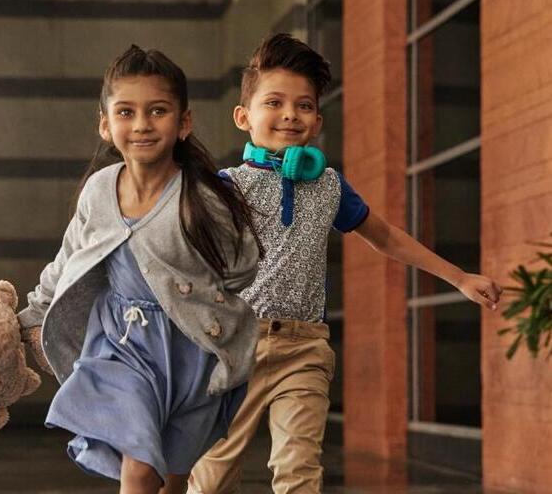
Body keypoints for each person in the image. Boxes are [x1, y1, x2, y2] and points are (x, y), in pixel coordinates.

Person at [188, 33, 502, 494]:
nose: (290, 114)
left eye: (305, 105)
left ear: (317, 121)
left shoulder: (330, 186)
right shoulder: (223, 188)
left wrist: (458, 277)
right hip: (234, 347)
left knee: (299, 473)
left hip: (304, 349)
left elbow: (387, 237)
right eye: (274, 102)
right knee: (210, 480)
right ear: (244, 116)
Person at [18, 45, 262, 494]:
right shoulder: (98, 191)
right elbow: (71, 255)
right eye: (126, 112)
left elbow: (243, 263)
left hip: (187, 350)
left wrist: (200, 300)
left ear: (183, 122)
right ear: (106, 124)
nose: (142, 124)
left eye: (158, 111)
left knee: (170, 477)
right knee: (138, 466)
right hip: (120, 345)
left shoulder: (200, 200)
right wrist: (32, 314)